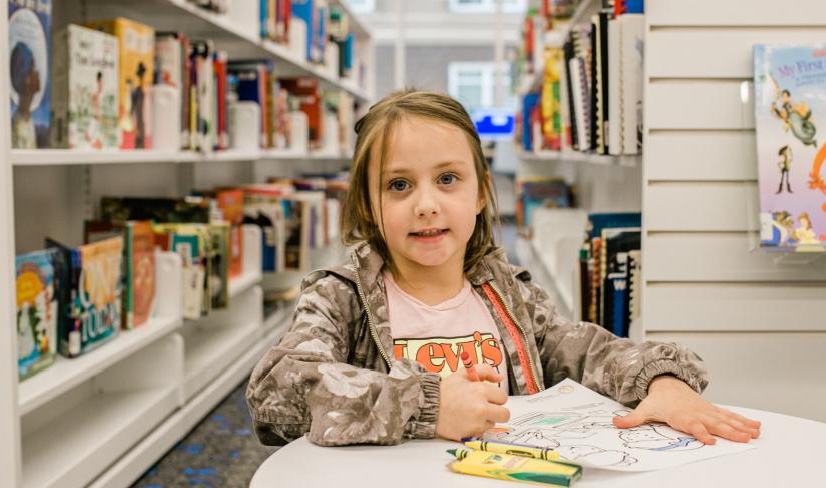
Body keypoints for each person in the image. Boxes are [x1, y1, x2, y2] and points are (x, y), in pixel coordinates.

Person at [246, 89, 761, 447]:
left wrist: (661, 381)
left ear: (480, 194)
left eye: (447, 179)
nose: (426, 204)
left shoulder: (508, 296)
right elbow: (278, 392)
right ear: (366, 205)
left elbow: (584, 350)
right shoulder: (341, 299)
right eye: (398, 185)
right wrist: (425, 407)